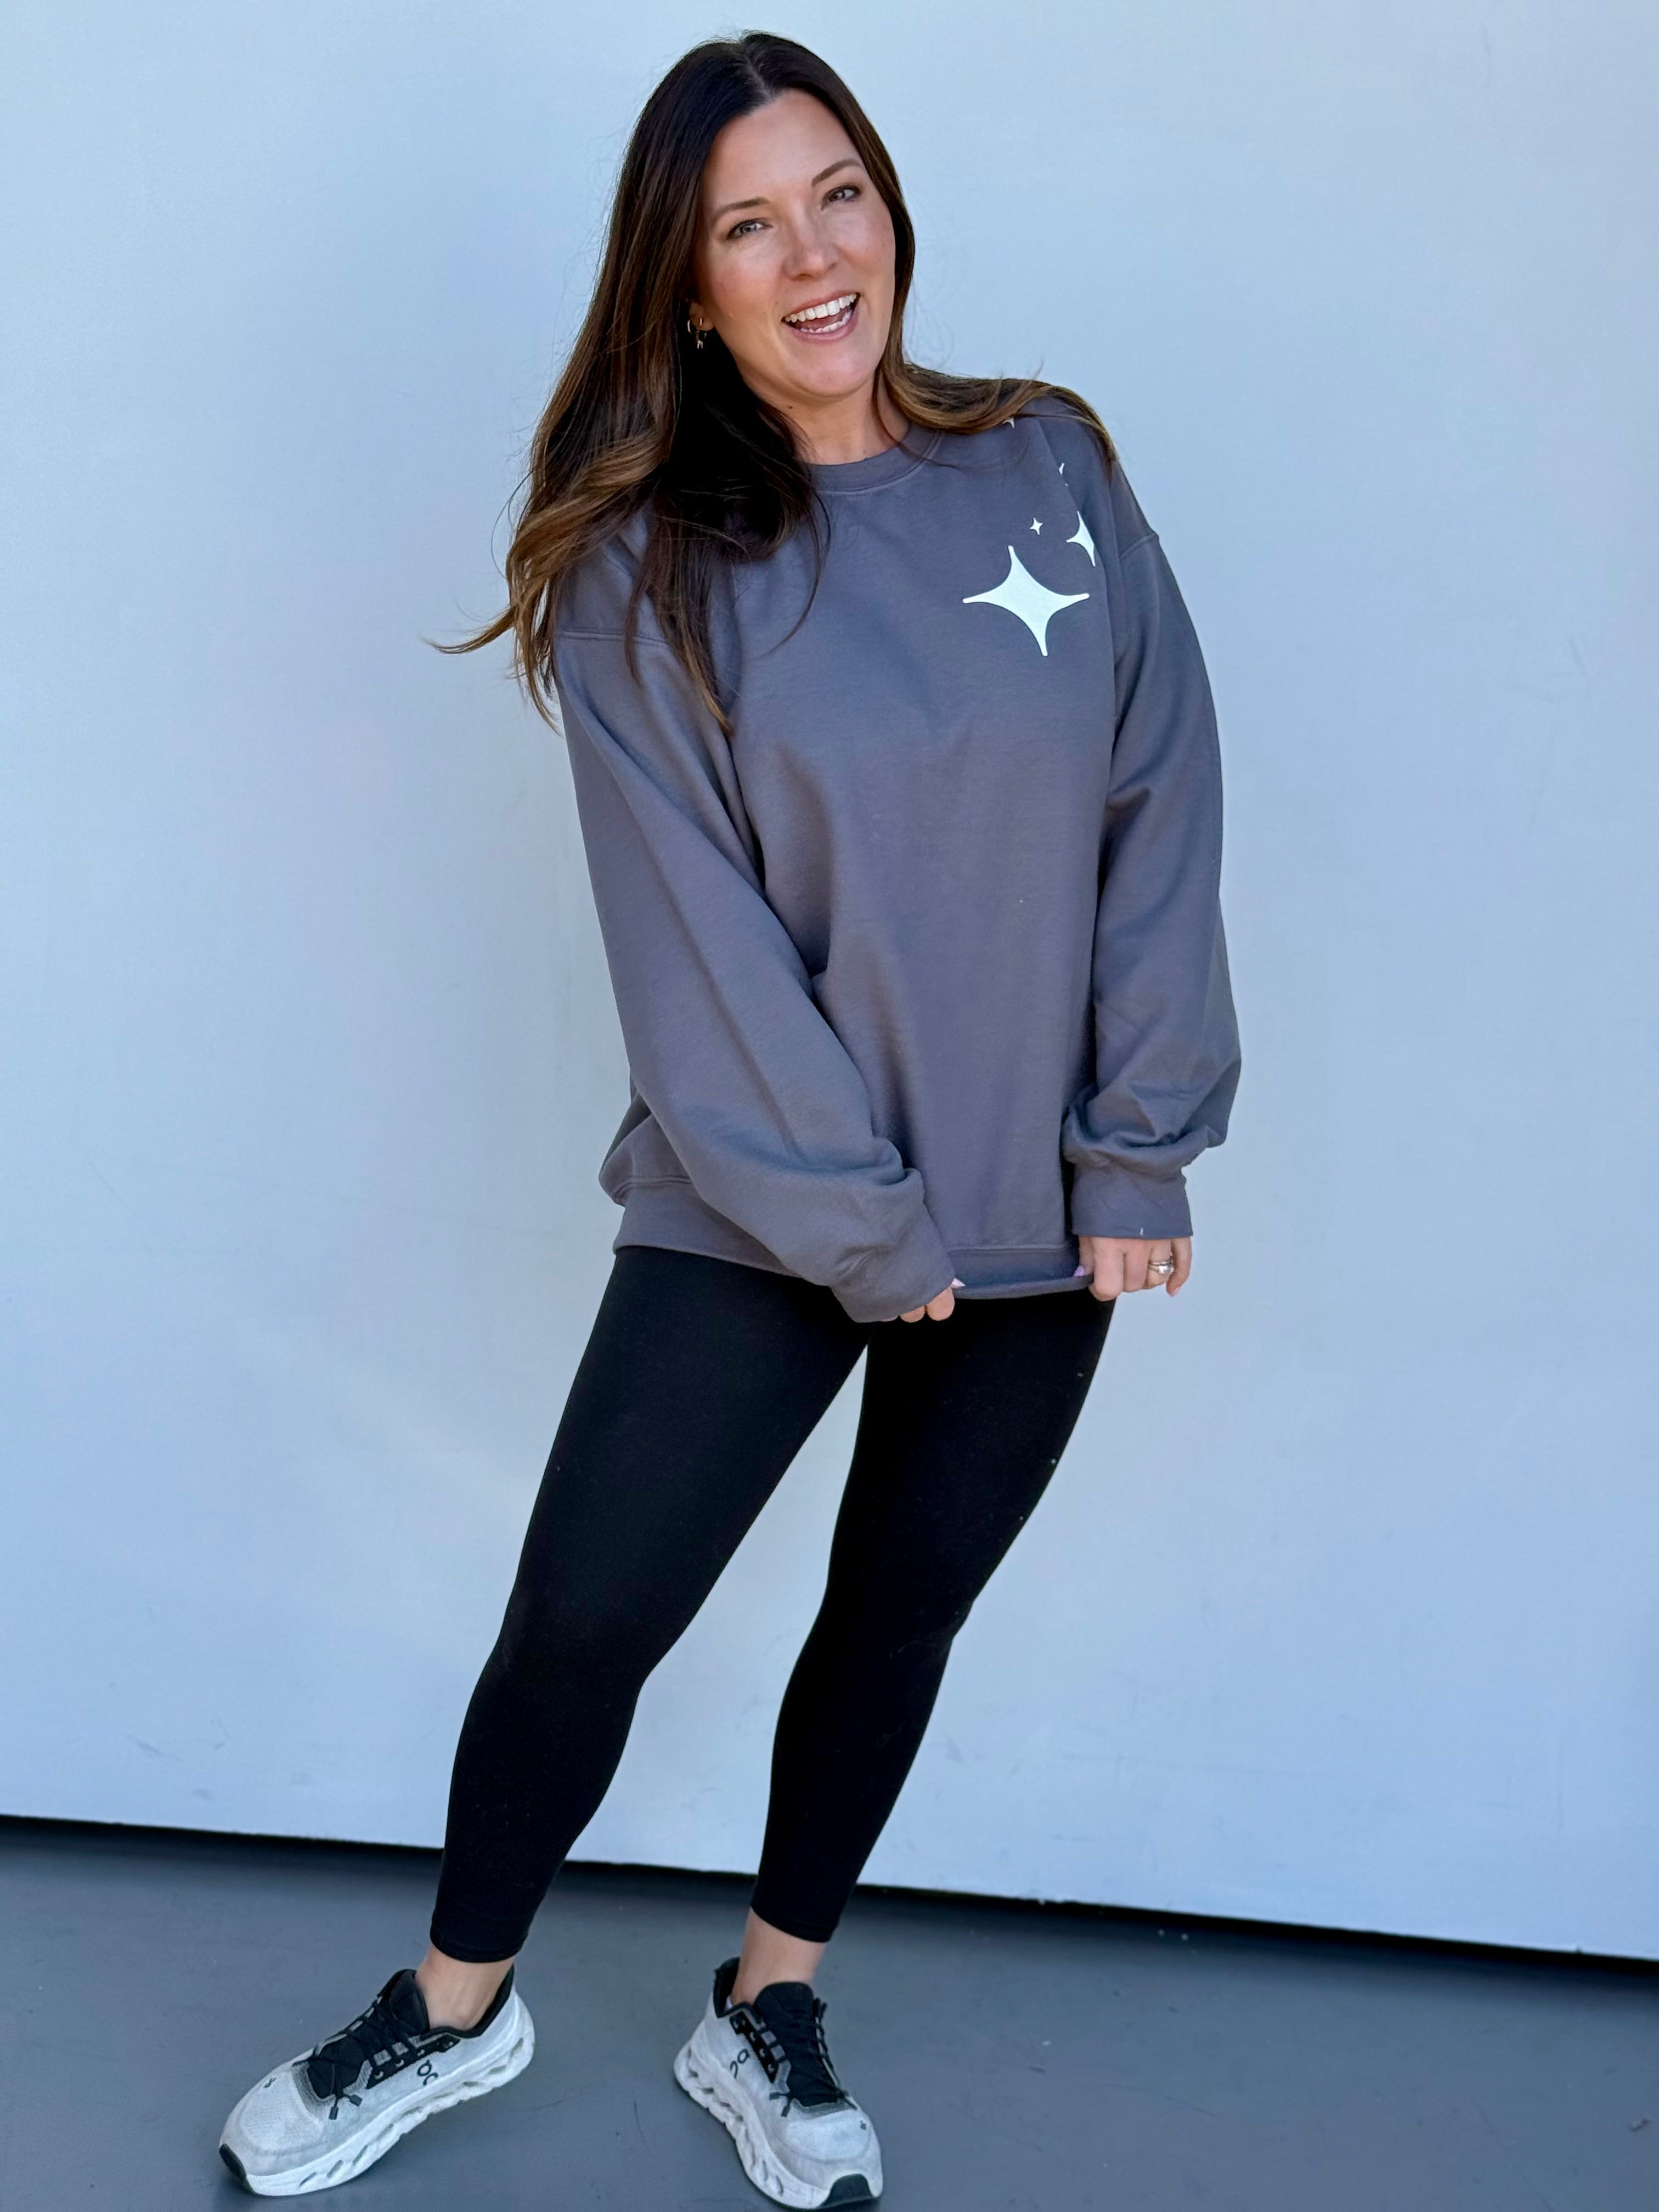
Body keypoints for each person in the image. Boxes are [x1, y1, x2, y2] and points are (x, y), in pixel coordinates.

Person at [217, 29, 1241, 2207]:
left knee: (898, 1613)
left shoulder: (1048, 462)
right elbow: (696, 951)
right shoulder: (642, 568)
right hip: (760, 1207)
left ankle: (768, 2002)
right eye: (748, 228)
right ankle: (451, 2009)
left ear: (890, 205)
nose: (813, 256)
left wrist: (1137, 1138)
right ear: (686, 291)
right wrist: (868, 1230)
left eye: (837, 193)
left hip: (1042, 1198)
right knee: (585, 1618)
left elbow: (1161, 799)